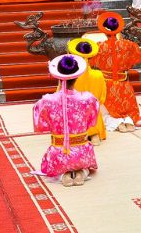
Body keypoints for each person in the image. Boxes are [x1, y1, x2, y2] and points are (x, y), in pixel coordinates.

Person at [33, 54, 100, 187]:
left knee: (58, 163)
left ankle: (64, 174)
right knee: (83, 165)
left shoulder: (47, 100)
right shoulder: (88, 98)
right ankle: (81, 172)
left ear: (57, 76)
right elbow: (92, 121)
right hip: (82, 151)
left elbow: (40, 125)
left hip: (59, 152)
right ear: (77, 76)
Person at [90, 12, 141, 132]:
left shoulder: (99, 47)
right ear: (118, 28)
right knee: (126, 105)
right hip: (123, 81)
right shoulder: (129, 45)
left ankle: (117, 122)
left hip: (107, 83)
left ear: (104, 30)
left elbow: (92, 63)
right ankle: (128, 121)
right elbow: (137, 59)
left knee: (108, 107)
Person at [67, 38, 106, 145]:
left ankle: (80, 133)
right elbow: (102, 97)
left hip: (75, 115)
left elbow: (61, 96)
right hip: (93, 113)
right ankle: (94, 134)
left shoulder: (69, 77)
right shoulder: (98, 75)